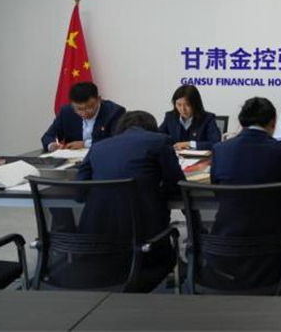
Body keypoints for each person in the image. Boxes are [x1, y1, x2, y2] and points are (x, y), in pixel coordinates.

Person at [210, 97, 281, 294]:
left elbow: (218, 190)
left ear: (241, 121)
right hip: (277, 254)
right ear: (273, 122)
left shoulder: (220, 149)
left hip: (227, 251)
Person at [75, 111, 185, 289]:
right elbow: (177, 186)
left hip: (98, 244)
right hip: (146, 243)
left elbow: (79, 194)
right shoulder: (160, 141)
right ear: (151, 129)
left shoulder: (98, 147)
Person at [41, 81, 125, 151]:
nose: (84, 113)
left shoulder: (114, 112)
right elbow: (48, 136)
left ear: (98, 100)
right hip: (71, 161)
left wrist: (85, 144)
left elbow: (116, 140)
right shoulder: (66, 112)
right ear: (72, 104)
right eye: (79, 109)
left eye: (89, 107)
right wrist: (52, 145)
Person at [159, 84, 221, 151]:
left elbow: (215, 143)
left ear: (196, 104)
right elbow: (158, 137)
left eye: (187, 105)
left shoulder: (208, 118)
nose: (182, 109)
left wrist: (190, 144)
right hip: (174, 156)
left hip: (198, 157)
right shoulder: (170, 117)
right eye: (179, 105)